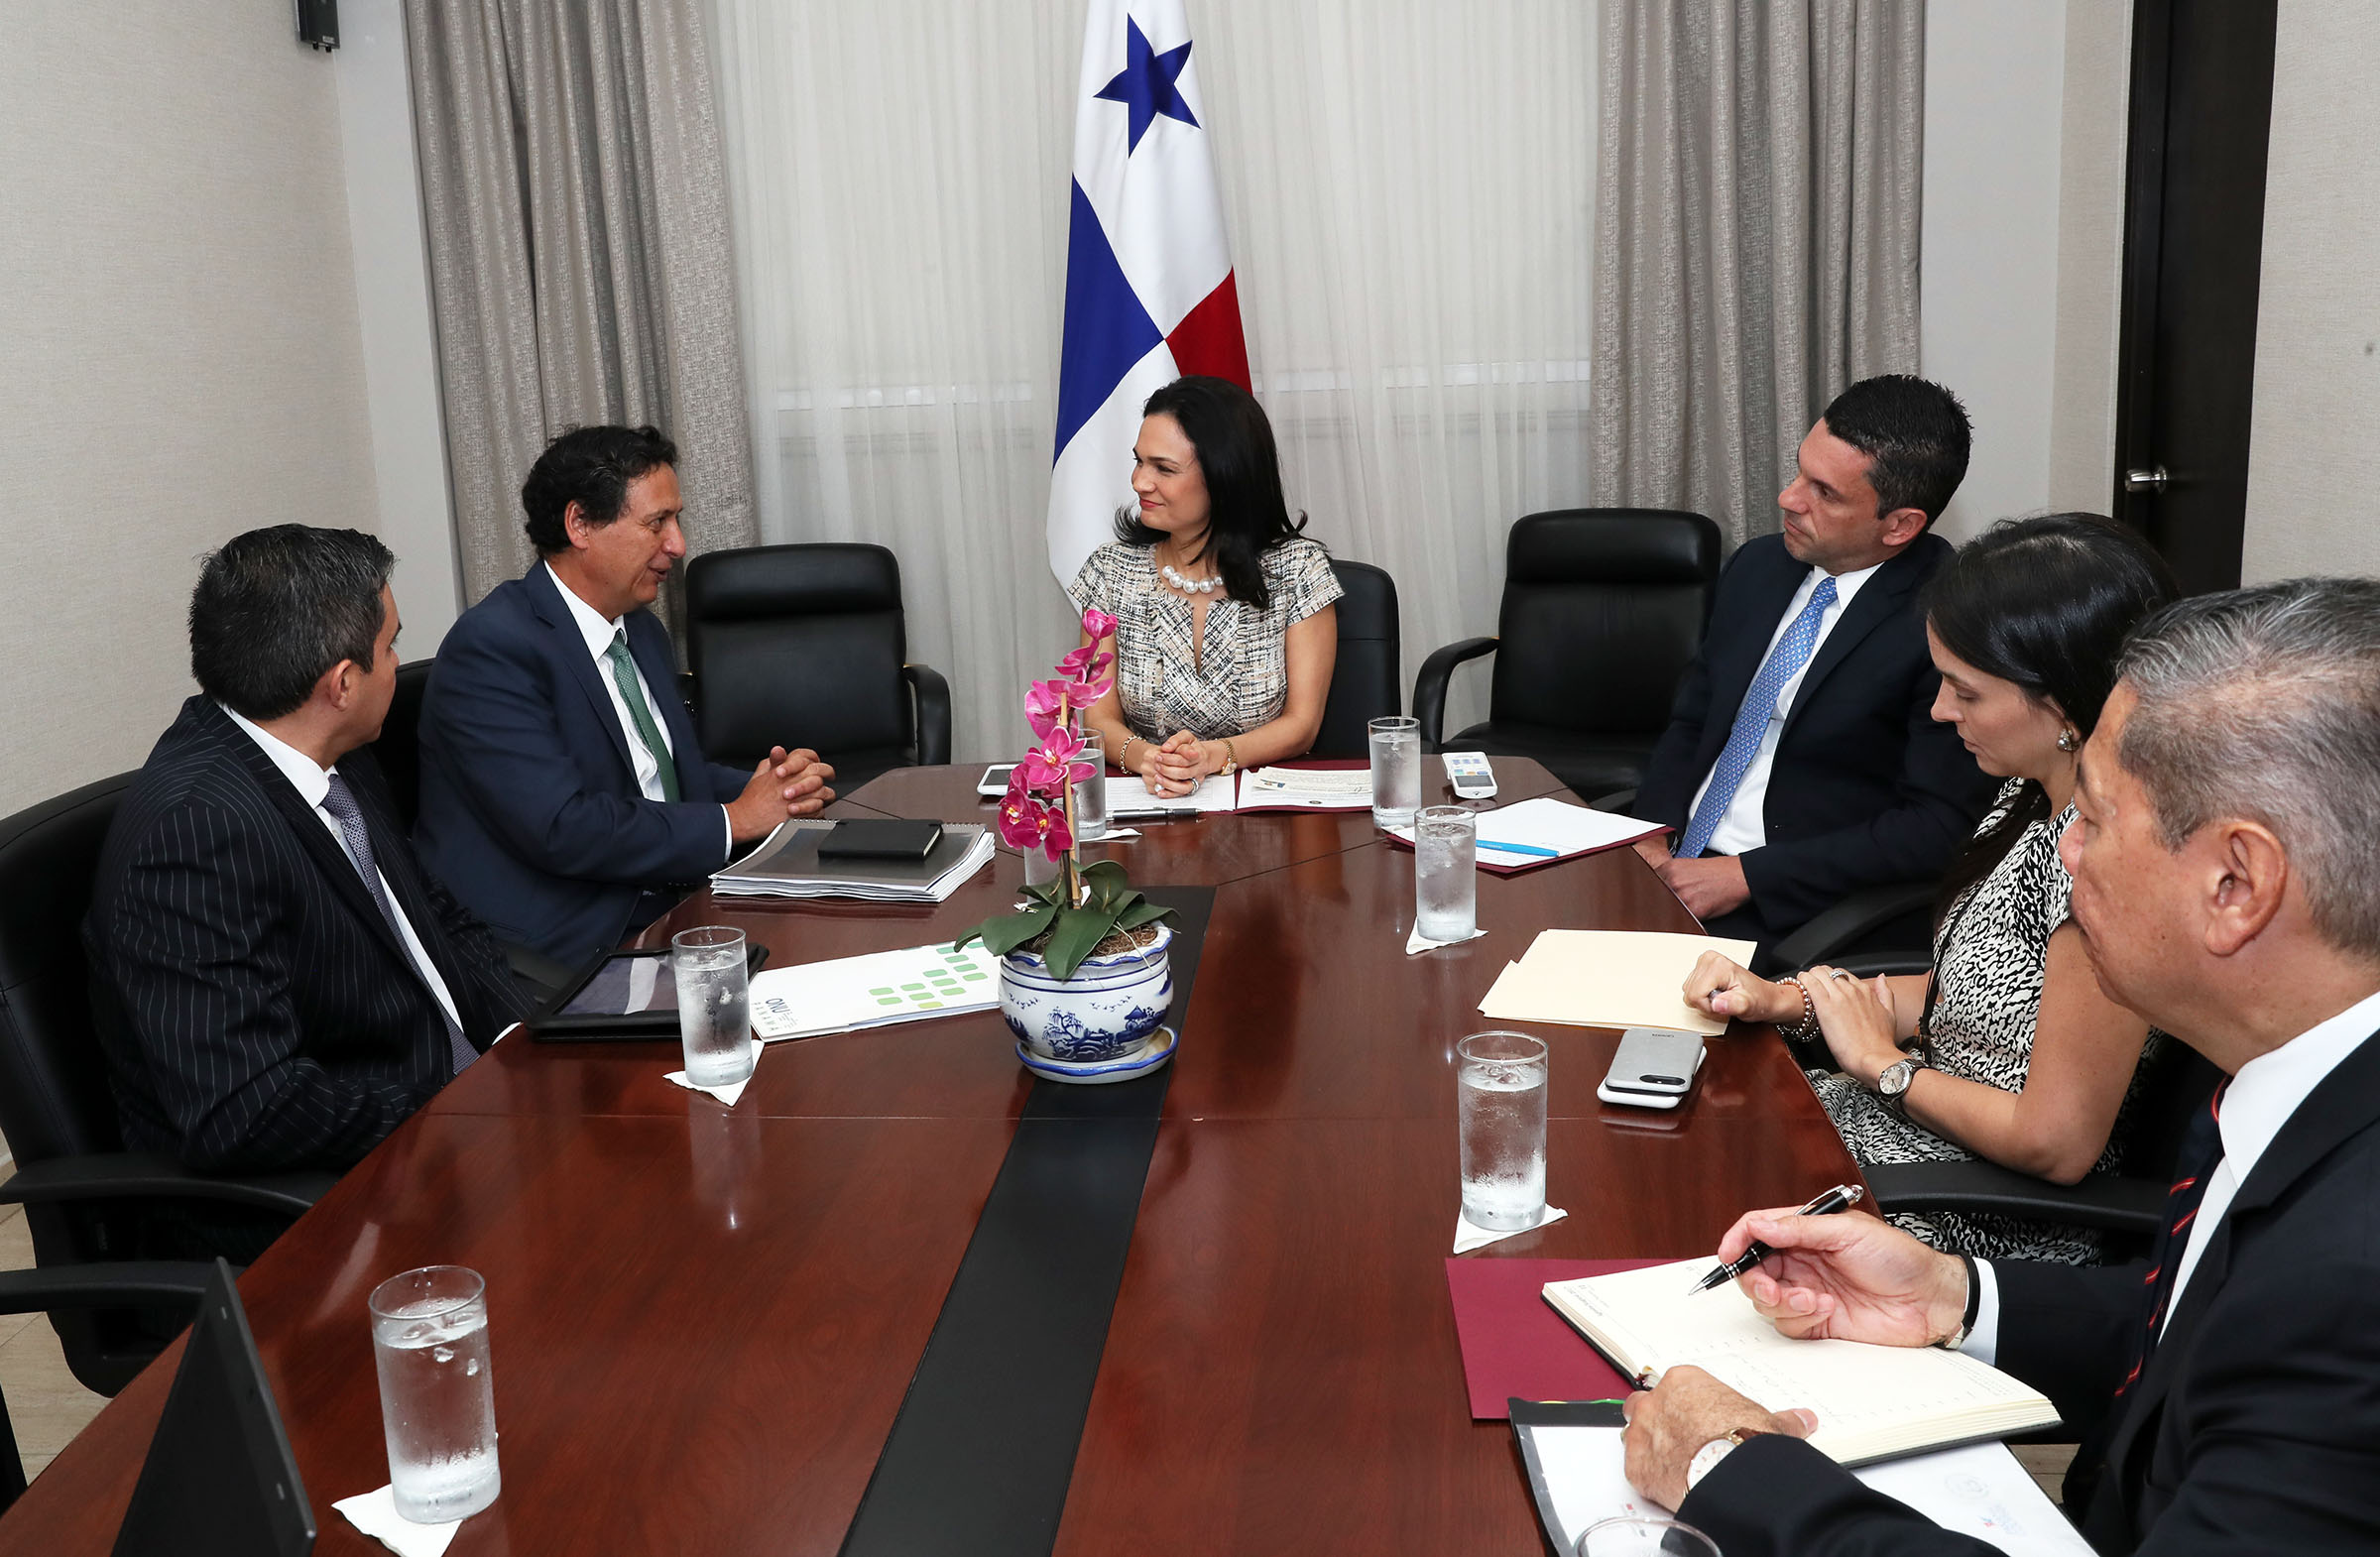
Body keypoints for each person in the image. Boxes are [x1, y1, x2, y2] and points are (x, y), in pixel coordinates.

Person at [1622, 577, 2380, 1553]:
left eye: (2095, 820)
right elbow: (2203, 1329)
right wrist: (1952, 1295)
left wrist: (1729, 1470)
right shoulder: (2294, 1083)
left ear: (2238, 882)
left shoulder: (2351, 1282)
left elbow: (2287, 1336)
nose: (2067, 856)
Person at [1683, 515, 2179, 1262]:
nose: (1942, 711)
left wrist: (1881, 1066)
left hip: (1971, 1210)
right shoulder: (2029, 794)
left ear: (2064, 703)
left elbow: (2054, 1144)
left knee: (1674, 1204)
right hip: (1903, 1138)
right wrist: (1789, 1000)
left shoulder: (2103, 865)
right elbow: (1968, 1001)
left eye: (1966, 692)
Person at [85, 528, 530, 1257]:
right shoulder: (194, 836)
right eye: (390, 645)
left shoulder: (331, 753)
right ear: (342, 683)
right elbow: (245, 1109)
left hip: (453, 1116)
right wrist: (458, 1107)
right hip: (327, 1206)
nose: (398, 662)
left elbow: (436, 917)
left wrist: (524, 1044)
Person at [415, 425, 834, 963]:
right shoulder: (493, 648)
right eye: (657, 523)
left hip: (666, 897)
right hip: (562, 941)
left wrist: (775, 790)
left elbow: (664, 778)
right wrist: (737, 819)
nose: (677, 545)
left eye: (676, 520)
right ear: (580, 524)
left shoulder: (640, 629)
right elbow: (562, 828)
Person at [1631, 375, 1998, 959]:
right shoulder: (1757, 567)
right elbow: (1694, 719)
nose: (1789, 499)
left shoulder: (1950, 624)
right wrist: (1652, 833)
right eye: (1800, 472)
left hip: (1792, 908)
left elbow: (1934, 826)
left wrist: (1747, 876)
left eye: (1824, 493)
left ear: (1900, 525)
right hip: (1673, 863)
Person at [1069, 377, 1342, 796]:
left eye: (1163, 468)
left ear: (1224, 476)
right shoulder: (1109, 572)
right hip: (1148, 799)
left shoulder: (1299, 570)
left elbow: (1302, 725)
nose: (1140, 482)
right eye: (1139, 462)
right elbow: (1098, 719)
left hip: (1267, 805)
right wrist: (1151, 760)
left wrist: (1212, 757)